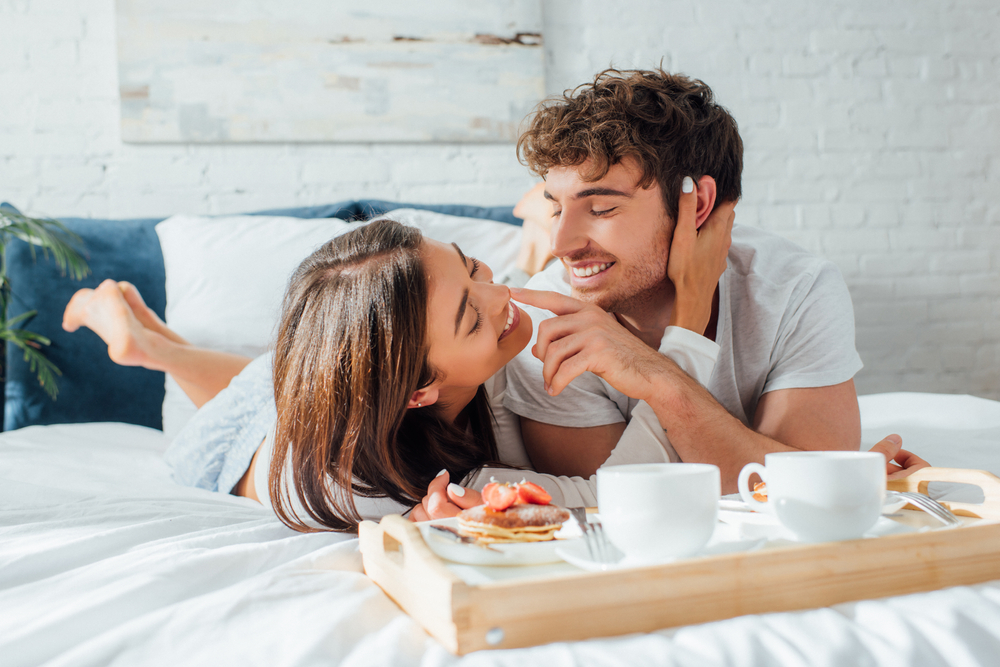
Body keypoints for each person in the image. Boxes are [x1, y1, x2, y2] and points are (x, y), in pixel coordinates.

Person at [62, 185, 743, 531]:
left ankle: (154, 342)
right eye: (472, 314)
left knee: (282, 374)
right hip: (239, 451)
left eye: (474, 267)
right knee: (261, 389)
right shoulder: (387, 488)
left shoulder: (398, 369)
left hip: (314, 386)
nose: (499, 293)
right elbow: (606, 500)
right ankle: (147, 347)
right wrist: (687, 317)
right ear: (418, 388)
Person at [428, 68, 927, 516]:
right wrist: (827, 478)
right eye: (555, 208)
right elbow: (619, 506)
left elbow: (809, 497)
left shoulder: (794, 289)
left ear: (699, 205)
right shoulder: (546, 321)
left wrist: (819, 481)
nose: (562, 245)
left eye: (601, 209)